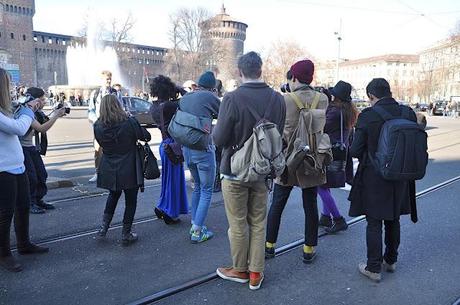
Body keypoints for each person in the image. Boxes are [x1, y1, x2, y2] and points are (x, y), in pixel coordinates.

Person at [213, 52, 286, 290]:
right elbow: (277, 135)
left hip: (235, 170)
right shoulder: (278, 99)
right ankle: (256, 273)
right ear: (261, 70)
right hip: (263, 170)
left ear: (239, 72)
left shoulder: (232, 99)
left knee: (237, 223)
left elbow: (219, 138)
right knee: (258, 222)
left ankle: (239, 270)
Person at [348, 78, 417, 282]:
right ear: (389, 91)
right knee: (393, 218)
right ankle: (391, 260)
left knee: (374, 221)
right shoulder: (408, 112)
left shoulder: (368, 116)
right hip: (402, 175)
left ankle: (373, 267)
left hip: (375, 177)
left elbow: (356, 150)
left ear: (371, 96)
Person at [265, 59, 329, 264]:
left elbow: (276, 130)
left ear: (293, 77)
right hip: (312, 158)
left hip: (288, 159)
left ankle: (269, 246)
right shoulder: (323, 99)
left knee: (277, 204)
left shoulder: (286, 100)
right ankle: (309, 249)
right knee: (310, 205)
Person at [0, 69, 49, 272]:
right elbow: (20, 129)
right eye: (8, 83)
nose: (11, 88)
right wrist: (29, 110)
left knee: (23, 207)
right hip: (4, 169)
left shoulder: (4, 109)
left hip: (16, 166)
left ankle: (24, 244)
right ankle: (4, 254)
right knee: (5, 213)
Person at [94, 95, 151, 246]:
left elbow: (101, 143)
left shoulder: (97, 125)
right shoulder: (129, 122)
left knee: (113, 195)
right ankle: (126, 233)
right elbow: (146, 137)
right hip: (129, 166)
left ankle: (103, 227)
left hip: (109, 166)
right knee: (131, 201)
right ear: (118, 105)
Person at [179, 71, 220, 243]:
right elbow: (224, 116)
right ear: (213, 87)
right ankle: (197, 232)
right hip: (203, 150)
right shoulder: (210, 97)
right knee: (206, 190)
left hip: (187, 149)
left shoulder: (186, 97)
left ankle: (195, 223)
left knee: (197, 187)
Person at [318, 81, 358, 233]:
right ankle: (325, 217)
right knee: (325, 184)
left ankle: (338, 218)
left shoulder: (335, 112)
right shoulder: (348, 110)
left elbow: (321, 126)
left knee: (320, 185)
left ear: (336, 97)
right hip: (340, 152)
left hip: (329, 152)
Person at [19, 88, 66, 214]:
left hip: (30, 147)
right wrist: (56, 116)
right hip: (23, 148)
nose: (45, 101)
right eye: (43, 99)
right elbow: (41, 128)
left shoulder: (35, 111)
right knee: (32, 177)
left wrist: (55, 113)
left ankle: (38, 199)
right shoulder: (26, 111)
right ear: (35, 100)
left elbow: (43, 122)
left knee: (42, 174)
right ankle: (30, 203)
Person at [150, 75, 188, 225]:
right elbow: (188, 99)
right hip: (173, 146)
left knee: (167, 181)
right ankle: (169, 213)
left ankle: (162, 206)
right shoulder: (170, 106)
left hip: (163, 145)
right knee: (174, 182)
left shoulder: (153, 107)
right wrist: (179, 89)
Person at [88, 70, 118, 183]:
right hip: (100, 126)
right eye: (107, 79)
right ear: (102, 80)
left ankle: (112, 172)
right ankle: (98, 172)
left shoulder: (115, 93)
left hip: (114, 125)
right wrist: (97, 121)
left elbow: (121, 107)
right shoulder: (95, 94)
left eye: (110, 79)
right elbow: (90, 110)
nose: (109, 81)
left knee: (114, 149)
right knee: (98, 150)